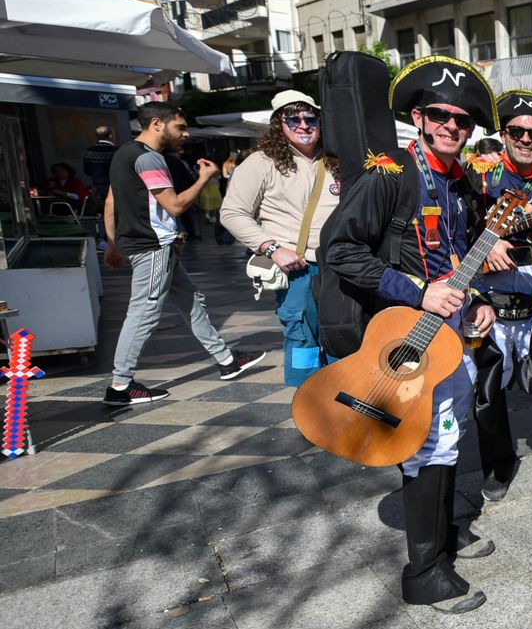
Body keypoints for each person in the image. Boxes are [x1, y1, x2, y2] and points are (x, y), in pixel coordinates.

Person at [320, 56, 501, 614]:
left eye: (464, 120)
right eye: (441, 116)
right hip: (405, 331)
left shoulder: (463, 183)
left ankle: (445, 532)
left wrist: (479, 301)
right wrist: (416, 291)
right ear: (419, 118)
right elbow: (340, 249)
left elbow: (458, 253)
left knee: (448, 436)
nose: (452, 126)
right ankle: (425, 571)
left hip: (451, 329)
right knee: (426, 444)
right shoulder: (388, 174)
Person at [102, 102, 264, 405]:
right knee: (143, 314)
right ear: (156, 124)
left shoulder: (123, 154)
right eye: (179, 127)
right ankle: (120, 386)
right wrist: (203, 179)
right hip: (153, 248)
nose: (185, 134)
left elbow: (110, 202)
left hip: (147, 245)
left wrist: (112, 243)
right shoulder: (149, 160)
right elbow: (175, 206)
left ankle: (226, 360)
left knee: (190, 301)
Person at [467, 90, 532, 502]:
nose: (527, 140)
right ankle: (499, 463)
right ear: (504, 134)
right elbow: (459, 232)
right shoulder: (478, 178)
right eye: (518, 132)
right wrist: (486, 242)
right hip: (484, 302)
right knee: (487, 387)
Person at [218, 90, 341, 386]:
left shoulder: (336, 160)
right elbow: (232, 213)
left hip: (339, 267)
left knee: (342, 335)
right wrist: (272, 248)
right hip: (298, 269)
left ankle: (342, 407)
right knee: (302, 339)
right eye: (292, 118)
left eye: (310, 117)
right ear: (278, 124)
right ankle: (308, 404)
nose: (303, 124)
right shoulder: (261, 162)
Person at [84, 125, 117, 247]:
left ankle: (104, 239)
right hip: (113, 187)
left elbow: (87, 171)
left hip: (96, 187)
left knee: (102, 214)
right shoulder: (115, 151)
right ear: (111, 135)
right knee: (115, 214)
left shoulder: (89, 151)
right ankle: (109, 239)